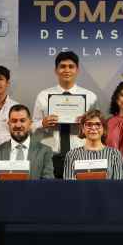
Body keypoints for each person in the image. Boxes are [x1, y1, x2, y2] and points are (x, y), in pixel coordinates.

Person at [32, 51, 98, 179]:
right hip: (51, 156)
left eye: (71, 66)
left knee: (80, 191)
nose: (67, 70)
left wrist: (87, 123)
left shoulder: (91, 97)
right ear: (56, 70)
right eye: (62, 66)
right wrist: (42, 123)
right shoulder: (43, 96)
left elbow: (99, 128)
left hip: (81, 156)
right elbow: (32, 127)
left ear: (77, 70)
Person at [0, 104, 54, 179]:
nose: (18, 125)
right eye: (14, 121)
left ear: (30, 123)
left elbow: (48, 183)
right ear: (8, 124)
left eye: (22, 120)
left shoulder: (44, 151)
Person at [63, 111, 123, 180]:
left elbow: (120, 183)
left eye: (98, 124)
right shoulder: (72, 155)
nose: (93, 128)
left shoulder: (115, 154)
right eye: (89, 124)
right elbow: (69, 184)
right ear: (83, 129)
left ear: (104, 129)